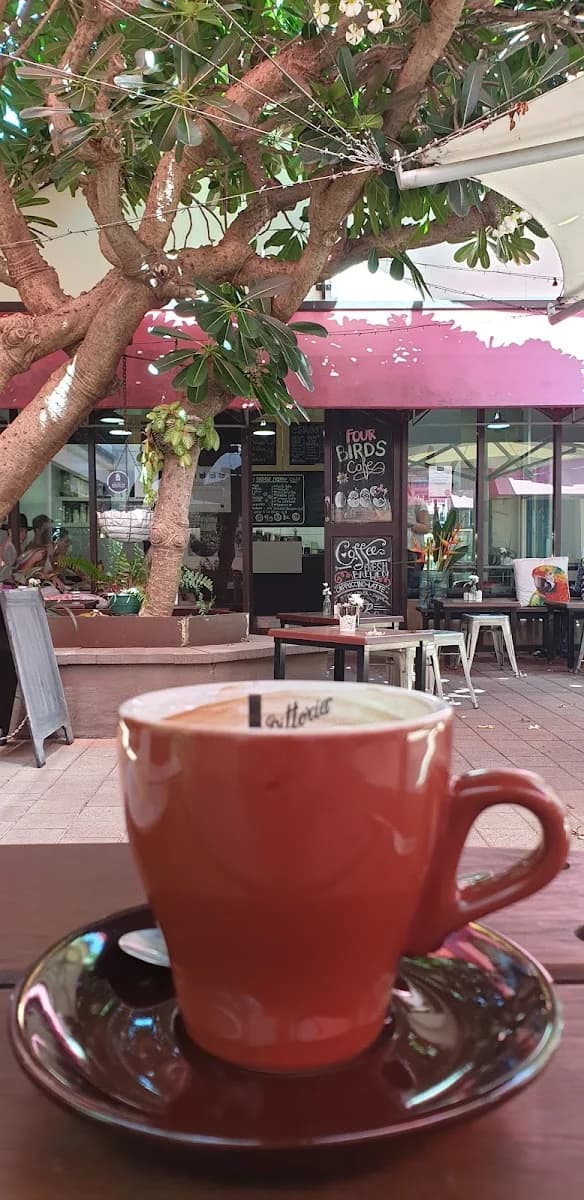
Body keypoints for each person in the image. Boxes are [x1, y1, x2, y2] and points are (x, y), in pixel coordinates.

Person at [407, 489, 431, 599]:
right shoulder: (389, 502)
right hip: (393, 549)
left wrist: (409, 523)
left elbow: (426, 528)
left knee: (412, 585)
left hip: (413, 550)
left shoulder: (418, 503)